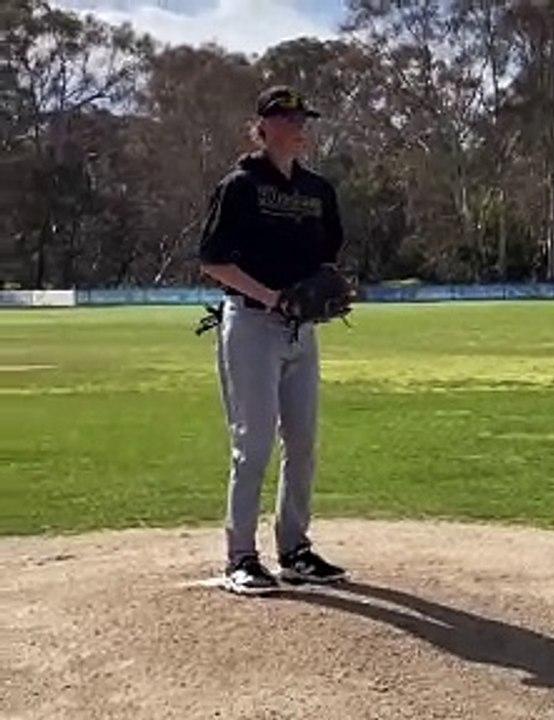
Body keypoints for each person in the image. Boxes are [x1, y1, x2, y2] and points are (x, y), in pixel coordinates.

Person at [197, 85, 348, 595]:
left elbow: (327, 256)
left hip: (300, 331)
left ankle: (295, 549)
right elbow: (214, 261)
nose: (300, 126)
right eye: (288, 118)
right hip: (252, 325)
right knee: (253, 444)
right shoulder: (240, 186)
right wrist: (272, 295)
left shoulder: (317, 191)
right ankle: (241, 556)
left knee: (303, 442)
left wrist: (326, 289)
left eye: (303, 118)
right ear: (263, 126)